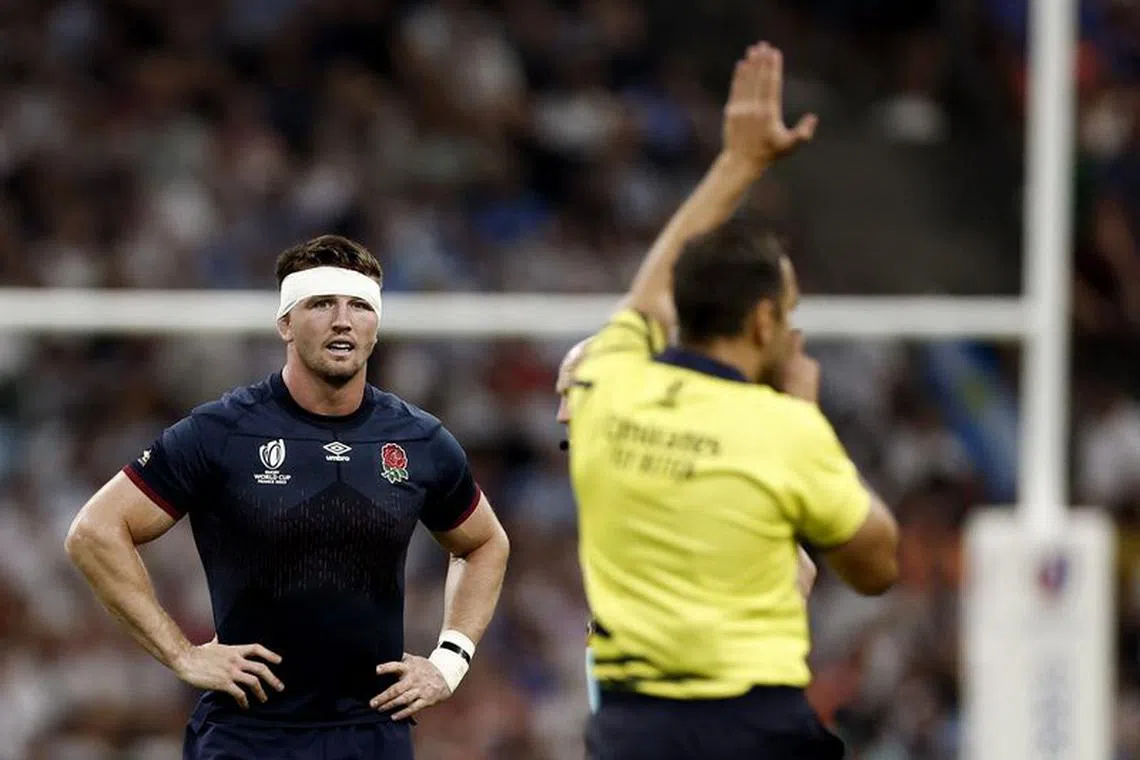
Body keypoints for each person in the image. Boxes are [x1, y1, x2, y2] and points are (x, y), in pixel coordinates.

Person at [560, 43, 900, 759]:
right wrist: (807, 420)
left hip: (629, 733)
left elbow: (648, 292)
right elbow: (877, 566)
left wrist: (738, 163)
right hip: (752, 730)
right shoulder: (783, 430)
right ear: (762, 322)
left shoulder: (603, 383)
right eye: (791, 308)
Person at [65, 235, 510, 760]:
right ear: (285, 323)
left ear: (376, 326)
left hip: (372, 733)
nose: (342, 320)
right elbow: (94, 532)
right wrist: (181, 654)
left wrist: (450, 661)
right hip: (247, 735)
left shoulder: (420, 439)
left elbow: (484, 543)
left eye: (360, 305)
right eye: (321, 304)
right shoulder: (223, 431)